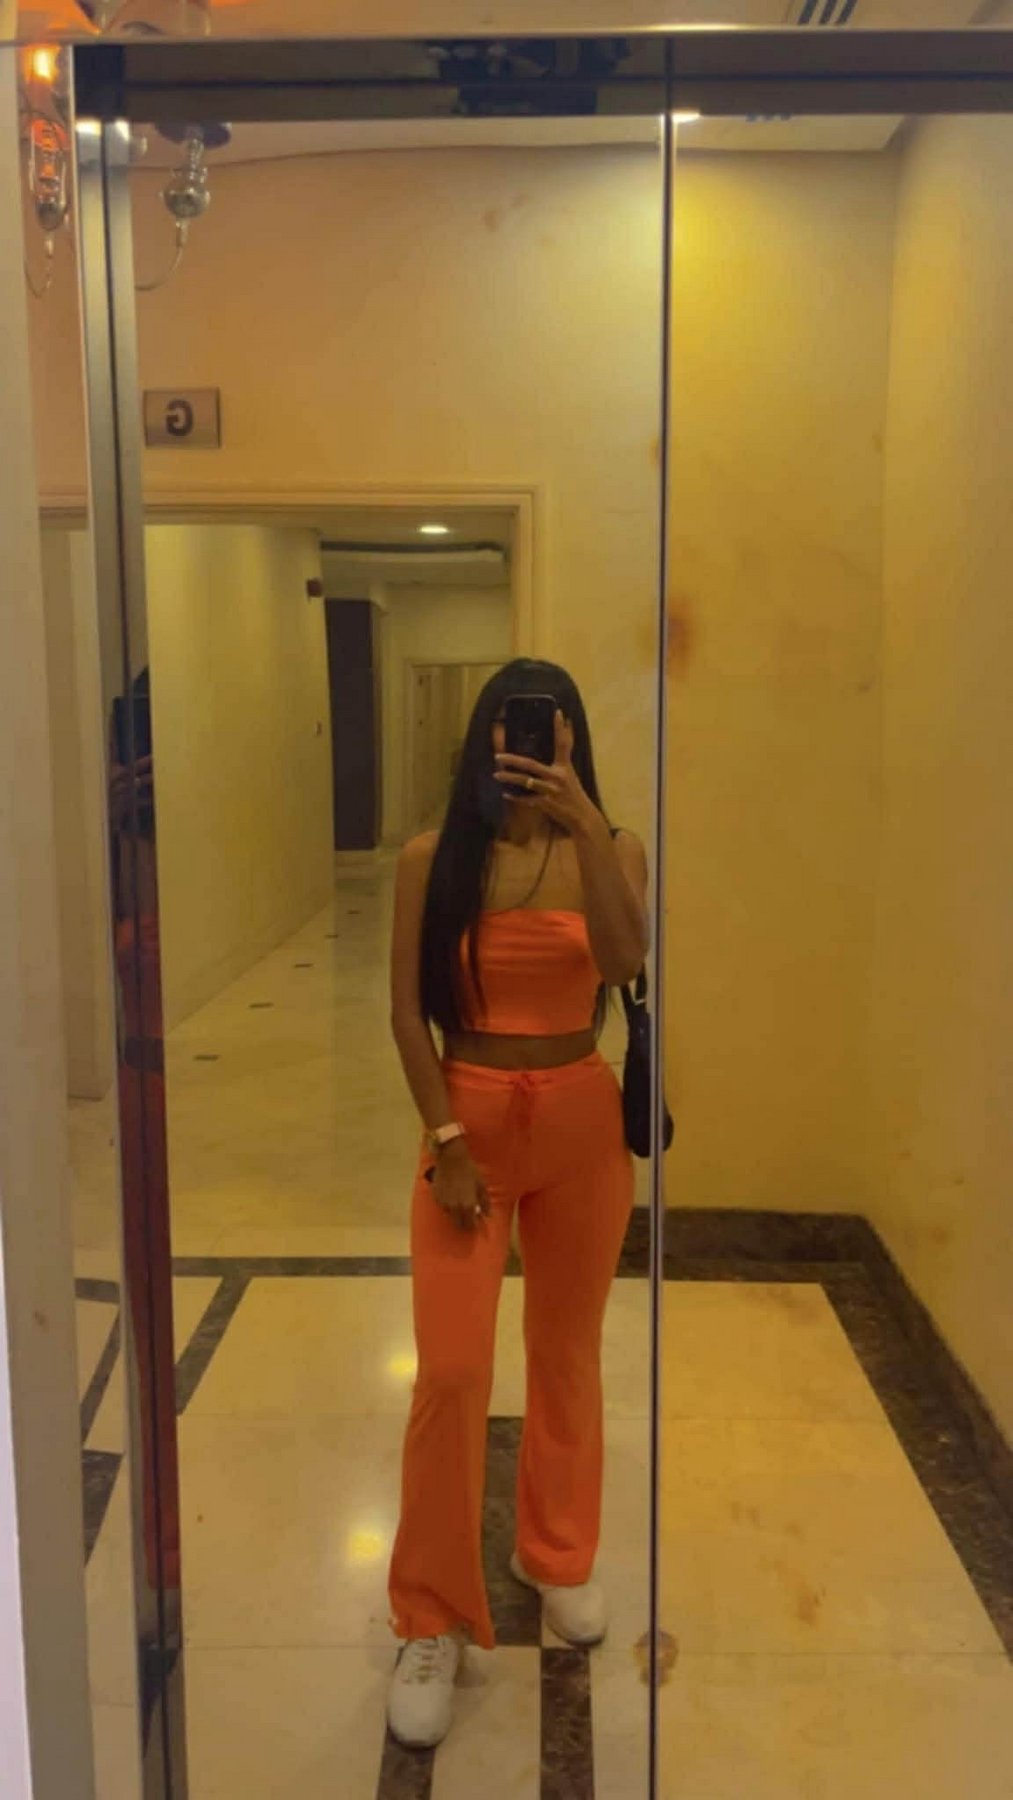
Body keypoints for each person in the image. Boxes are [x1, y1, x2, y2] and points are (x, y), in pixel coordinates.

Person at [386, 657, 648, 1748]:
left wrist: (585, 823)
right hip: (470, 1129)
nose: (525, 743)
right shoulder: (429, 858)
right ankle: (428, 1615)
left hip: (582, 1124)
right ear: (481, 740)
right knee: (451, 1371)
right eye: (507, 725)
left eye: (544, 728)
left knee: (566, 1351)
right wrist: (447, 1142)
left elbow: (624, 963)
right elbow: (405, 1015)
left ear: (570, 740)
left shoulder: (612, 847)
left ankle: (557, 1553)